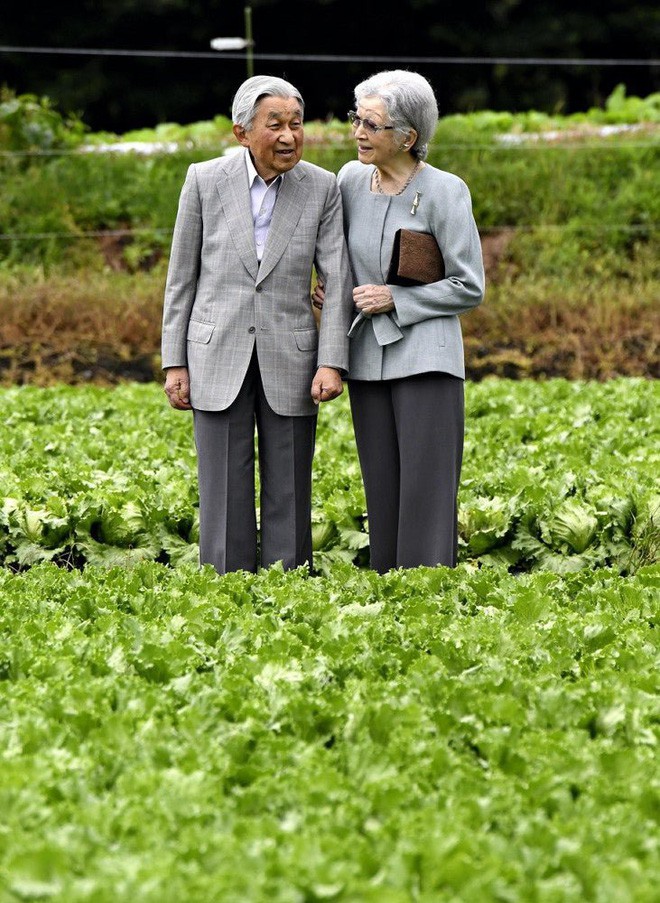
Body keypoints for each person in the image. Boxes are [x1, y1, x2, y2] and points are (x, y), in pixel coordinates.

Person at [161, 75, 353, 575]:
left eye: (296, 124)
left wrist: (332, 361)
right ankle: (227, 584)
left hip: (291, 354)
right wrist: (174, 362)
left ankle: (286, 585)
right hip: (214, 350)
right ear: (241, 132)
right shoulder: (203, 180)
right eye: (275, 125)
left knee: (290, 479)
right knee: (223, 481)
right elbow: (181, 278)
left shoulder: (323, 186)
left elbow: (337, 277)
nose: (289, 136)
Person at [313, 70, 485, 573]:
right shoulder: (347, 180)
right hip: (367, 359)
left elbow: (469, 285)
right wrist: (334, 289)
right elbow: (337, 256)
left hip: (427, 358)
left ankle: (426, 593)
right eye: (356, 119)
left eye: (371, 123)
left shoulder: (445, 191)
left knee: (427, 492)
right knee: (381, 487)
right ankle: (389, 595)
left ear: (408, 137)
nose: (358, 132)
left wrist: (396, 299)